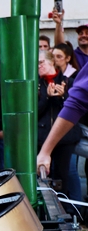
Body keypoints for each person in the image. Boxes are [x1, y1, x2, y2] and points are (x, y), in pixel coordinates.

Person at [38, 52, 81, 199]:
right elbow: (33, 112)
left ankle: (68, 208)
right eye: (36, 63)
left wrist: (64, 97)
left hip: (65, 138)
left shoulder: (68, 81)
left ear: (52, 63)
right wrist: (47, 99)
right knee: (43, 175)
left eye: (41, 62)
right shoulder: (36, 84)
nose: (39, 66)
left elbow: (77, 108)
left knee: (64, 175)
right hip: (42, 137)